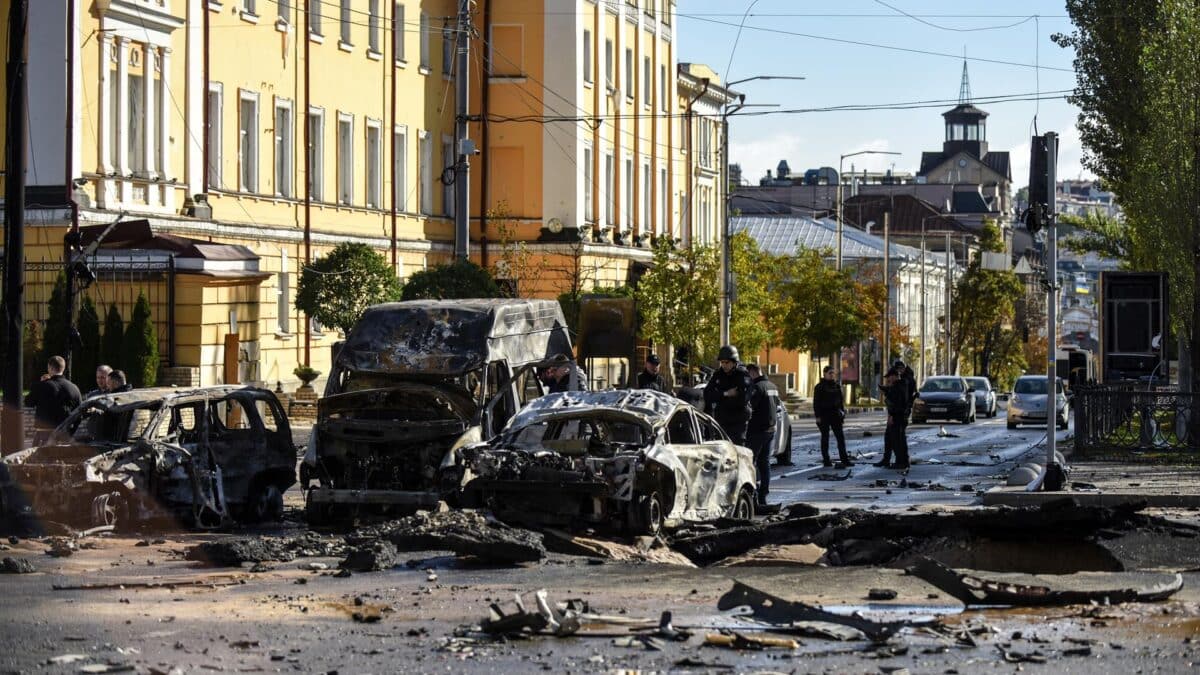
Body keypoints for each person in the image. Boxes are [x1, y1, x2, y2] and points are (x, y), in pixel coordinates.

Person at [703, 345, 753, 445]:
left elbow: (742, 400)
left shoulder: (742, 375)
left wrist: (719, 397)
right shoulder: (718, 374)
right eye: (722, 362)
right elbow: (707, 395)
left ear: (734, 362)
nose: (724, 365)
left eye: (727, 362)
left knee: (737, 451)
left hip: (738, 422)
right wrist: (726, 394)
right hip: (722, 420)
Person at [745, 363, 778, 504]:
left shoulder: (757, 387)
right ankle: (763, 495)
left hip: (757, 430)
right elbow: (776, 406)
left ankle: (751, 494)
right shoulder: (773, 386)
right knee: (764, 463)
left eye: (748, 375)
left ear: (753, 373)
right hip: (770, 429)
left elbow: (750, 407)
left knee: (750, 463)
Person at [24, 355, 83, 431]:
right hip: (65, 434)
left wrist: (41, 384)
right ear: (63, 368)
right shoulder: (74, 387)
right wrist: (71, 432)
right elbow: (80, 413)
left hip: (44, 434)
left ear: (50, 368)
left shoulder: (42, 386)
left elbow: (28, 402)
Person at [812, 365, 851, 468]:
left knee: (840, 438)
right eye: (830, 373)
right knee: (825, 438)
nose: (832, 375)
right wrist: (818, 416)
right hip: (824, 415)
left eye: (833, 373)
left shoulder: (837, 386)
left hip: (836, 415)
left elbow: (841, 402)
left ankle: (845, 460)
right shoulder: (819, 387)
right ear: (824, 374)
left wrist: (842, 414)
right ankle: (826, 460)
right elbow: (816, 403)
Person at [883, 367, 911, 471]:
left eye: (889, 377)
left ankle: (901, 462)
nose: (888, 380)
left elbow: (897, 404)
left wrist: (892, 416)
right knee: (898, 440)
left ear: (895, 376)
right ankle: (902, 461)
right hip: (899, 416)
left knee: (898, 441)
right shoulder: (899, 386)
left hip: (898, 417)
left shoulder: (899, 387)